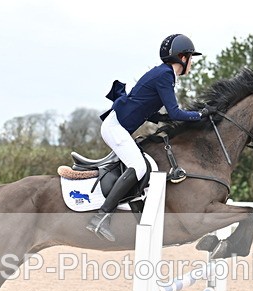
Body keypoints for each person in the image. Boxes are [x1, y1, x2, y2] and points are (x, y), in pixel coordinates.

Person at [87, 34, 216, 241]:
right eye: (191, 58)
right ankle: (100, 217)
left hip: (117, 126)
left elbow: (146, 106)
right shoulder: (165, 75)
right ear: (182, 57)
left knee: (144, 166)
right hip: (115, 127)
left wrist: (163, 118)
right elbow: (175, 112)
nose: (191, 63)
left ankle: (139, 218)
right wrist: (200, 114)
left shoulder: (164, 74)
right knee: (138, 167)